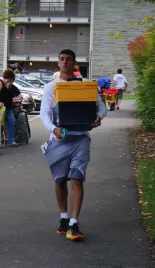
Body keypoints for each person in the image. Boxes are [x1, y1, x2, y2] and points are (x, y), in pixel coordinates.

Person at [40, 49, 107, 241]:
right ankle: (63, 218)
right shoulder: (51, 87)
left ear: (74, 63)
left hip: (81, 138)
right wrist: (54, 129)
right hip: (59, 139)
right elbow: (44, 113)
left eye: (69, 59)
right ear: (58, 63)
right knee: (60, 180)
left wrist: (98, 117)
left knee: (77, 179)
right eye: (62, 59)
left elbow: (101, 107)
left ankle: (74, 223)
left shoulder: (87, 85)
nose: (65, 62)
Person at [0, 69, 21, 147]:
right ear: (10, 78)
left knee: (11, 121)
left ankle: (11, 140)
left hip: (7, 107)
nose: (11, 81)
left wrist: (18, 99)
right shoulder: (0, 83)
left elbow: (20, 95)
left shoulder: (12, 87)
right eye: (11, 79)